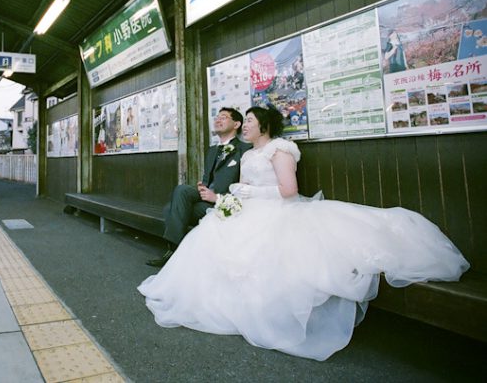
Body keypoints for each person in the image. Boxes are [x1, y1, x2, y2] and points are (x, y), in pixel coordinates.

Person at [138, 105, 469, 361]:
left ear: (263, 126)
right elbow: (247, 187)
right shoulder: (250, 154)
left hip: (278, 211)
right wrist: (234, 196)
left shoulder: (280, 150)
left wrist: (253, 194)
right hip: (248, 210)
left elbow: (289, 190)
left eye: (250, 121)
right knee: (212, 233)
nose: (247, 125)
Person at [146, 107, 251, 267]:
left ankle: (174, 252)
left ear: (236, 124)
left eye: (224, 117)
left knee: (170, 208)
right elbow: (208, 178)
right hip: (205, 197)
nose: (218, 120)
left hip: (224, 202)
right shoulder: (212, 150)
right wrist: (203, 185)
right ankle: (178, 252)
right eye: (217, 117)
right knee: (181, 191)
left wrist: (215, 196)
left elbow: (244, 186)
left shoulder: (245, 150)